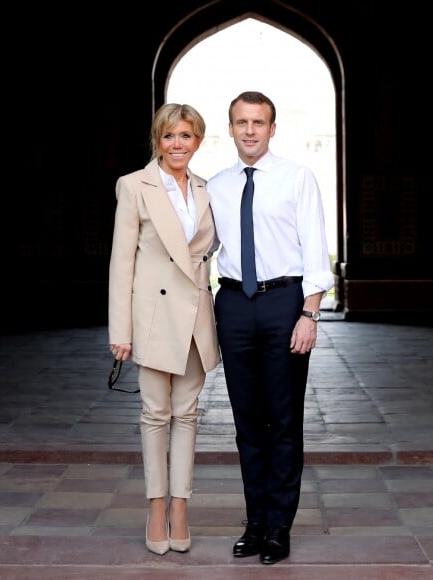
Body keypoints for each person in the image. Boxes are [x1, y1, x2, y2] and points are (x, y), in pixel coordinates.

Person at [206, 91, 334, 565]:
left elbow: (316, 249)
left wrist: (310, 312)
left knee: (282, 419)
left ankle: (280, 526)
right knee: (245, 421)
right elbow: (197, 245)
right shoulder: (215, 185)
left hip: (284, 302)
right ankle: (255, 522)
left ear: (272, 128)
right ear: (231, 128)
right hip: (234, 303)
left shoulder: (297, 178)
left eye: (258, 122)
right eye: (241, 122)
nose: (250, 130)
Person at [108, 103, 220, 556]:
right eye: (170, 136)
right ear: (158, 139)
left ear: (198, 142)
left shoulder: (206, 188)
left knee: (188, 415)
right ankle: (155, 508)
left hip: (195, 315)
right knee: (155, 414)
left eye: (187, 136)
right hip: (153, 317)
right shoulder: (134, 186)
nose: (178, 144)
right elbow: (122, 261)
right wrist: (121, 329)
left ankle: (181, 507)